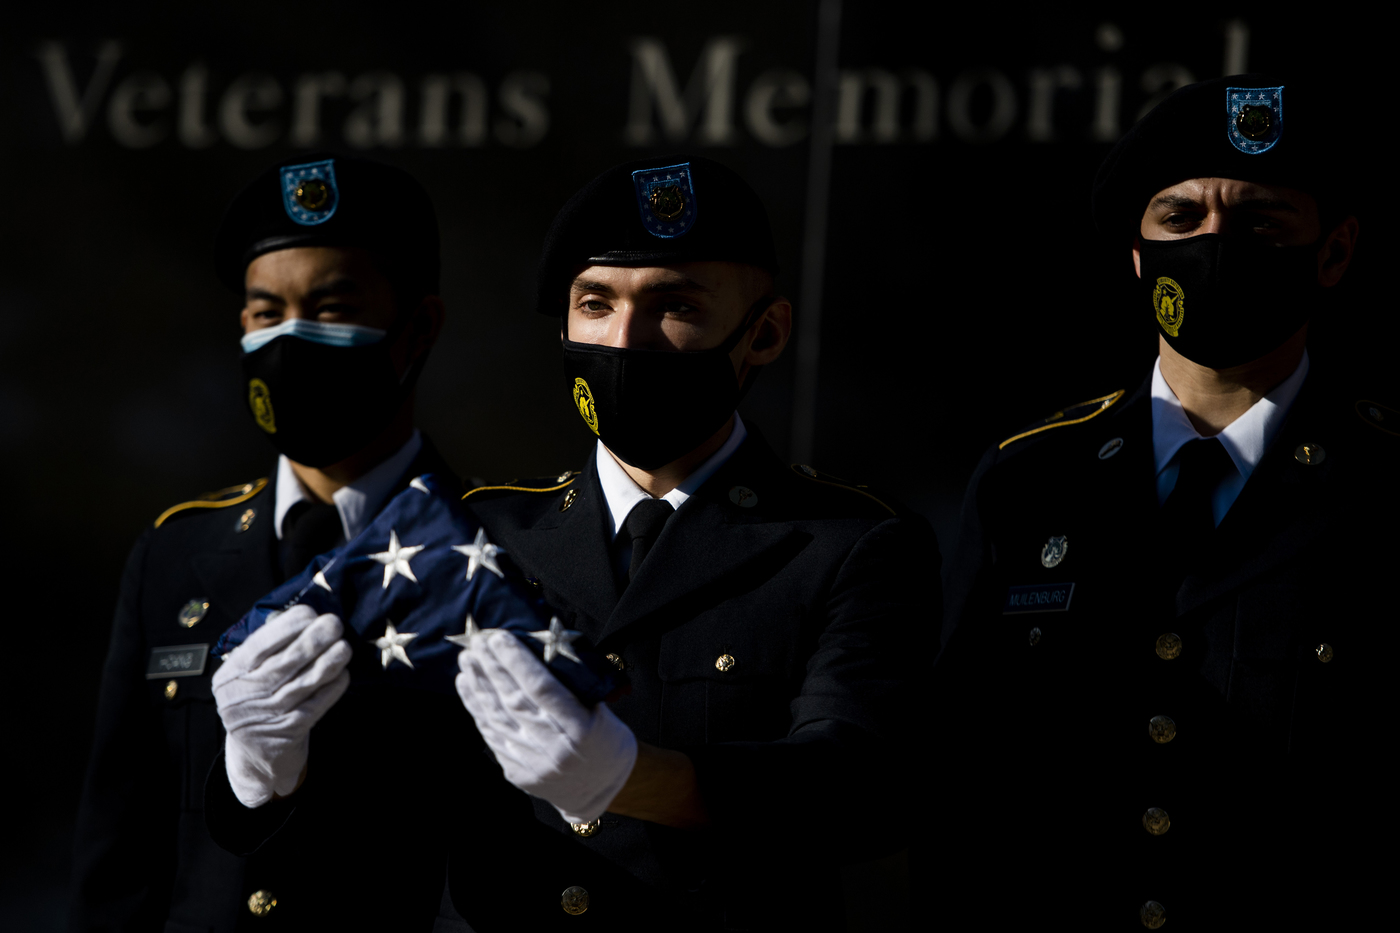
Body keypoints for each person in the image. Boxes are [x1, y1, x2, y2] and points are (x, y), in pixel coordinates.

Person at [936, 75, 1387, 929]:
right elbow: (960, 776)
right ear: (1139, 256)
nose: (1218, 247)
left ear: (1332, 252)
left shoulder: (1396, 485)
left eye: (1261, 222)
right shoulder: (1029, 480)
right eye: (1181, 220)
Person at [451, 155, 931, 930]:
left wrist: (636, 777)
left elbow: (855, 785)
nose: (625, 340)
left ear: (764, 333)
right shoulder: (477, 536)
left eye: (674, 305)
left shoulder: (849, 542)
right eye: (595, 303)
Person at [70, 153, 463, 932]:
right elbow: (120, 856)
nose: (291, 340)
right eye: (264, 313)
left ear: (417, 328)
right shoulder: (176, 554)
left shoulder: (498, 553)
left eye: (329, 306)